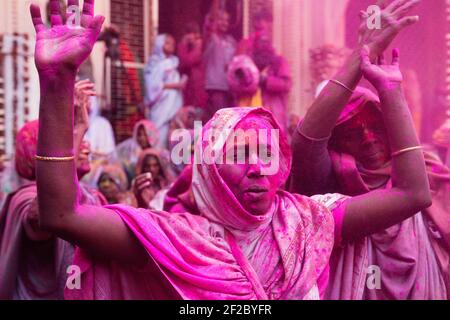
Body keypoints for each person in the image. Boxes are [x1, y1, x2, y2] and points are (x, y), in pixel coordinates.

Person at [30, 0, 431, 300]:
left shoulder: (308, 224)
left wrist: (389, 89)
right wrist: (58, 82)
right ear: (207, 171)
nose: (258, 167)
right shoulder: (174, 239)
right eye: (238, 155)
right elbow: (62, 215)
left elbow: (412, 194)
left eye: (267, 155)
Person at [290, 0, 449, 299]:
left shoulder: (428, 172)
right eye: (351, 132)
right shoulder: (330, 183)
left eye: (374, 125)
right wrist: (359, 55)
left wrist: (391, 90)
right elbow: (305, 145)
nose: (367, 138)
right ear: (336, 142)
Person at [0, 114, 106, 300]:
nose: (85, 146)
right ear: (40, 154)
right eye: (67, 142)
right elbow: (46, 212)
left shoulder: (91, 195)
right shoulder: (25, 197)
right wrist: (79, 127)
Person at [144, 34, 185, 148]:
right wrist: (176, 85)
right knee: (159, 132)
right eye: (167, 43)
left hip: (173, 105)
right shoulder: (155, 63)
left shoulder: (173, 62)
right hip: (161, 105)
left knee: (173, 133)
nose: (171, 45)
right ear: (159, 44)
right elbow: (153, 85)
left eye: (173, 43)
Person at [203, 2, 237, 121]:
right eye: (221, 19)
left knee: (230, 122)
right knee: (220, 121)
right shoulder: (211, 38)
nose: (225, 23)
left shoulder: (231, 41)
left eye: (227, 20)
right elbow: (210, 24)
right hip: (216, 87)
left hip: (230, 88)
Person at [114, 119, 160, 183]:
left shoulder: (160, 154)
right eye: (139, 135)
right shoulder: (132, 151)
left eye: (145, 135)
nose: (141, 138)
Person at [178, 22, 208, 111]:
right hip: (190, 89)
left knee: (197, 116)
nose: (189, 37)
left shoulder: (200, 45)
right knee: (190, 115)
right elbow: (182, 63)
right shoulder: (189, 48)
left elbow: (189, 61)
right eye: (187, 34)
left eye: (193, 33)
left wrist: (183, 45)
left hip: (199, 88)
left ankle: (198, 126)